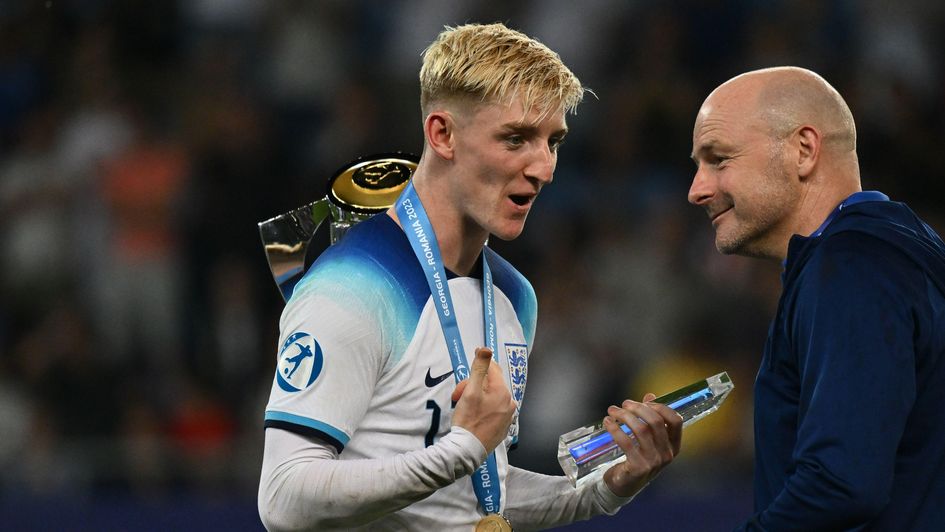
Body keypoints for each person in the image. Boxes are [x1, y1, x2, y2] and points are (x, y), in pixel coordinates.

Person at [258, 23, 683, 531]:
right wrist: (459, 450)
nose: (544, 168)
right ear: (442, 135)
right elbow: (283, 498)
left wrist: (607, 487)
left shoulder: (513, 296)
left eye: (553, 142)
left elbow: (479, 495)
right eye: (516, 138)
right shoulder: (351, 286)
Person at [689, 66, 945, 531]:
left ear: (803, 150)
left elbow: (842, 483)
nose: (697, 189)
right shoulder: (900, 245)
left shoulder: (851, 267)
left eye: (719, 158)